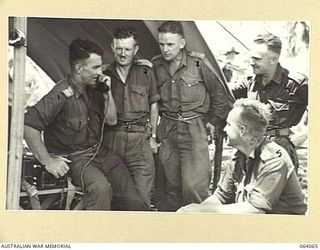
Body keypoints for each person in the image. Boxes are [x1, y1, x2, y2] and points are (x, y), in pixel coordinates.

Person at [24, 38, 147, 210]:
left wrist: (107, 93)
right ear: (79, 68)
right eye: (95, 67)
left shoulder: (95, 89)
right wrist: (48, 162)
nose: (100, 72)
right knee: (100, 188)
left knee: (129, 193)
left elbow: (111, 120)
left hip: (99, 152)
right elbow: (29, 126)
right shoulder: (60, 94)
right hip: (75, 158)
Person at [151, 21, 231, 211]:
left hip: (194, 129)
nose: (165, 49)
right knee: (169, 186)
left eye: (170, 44)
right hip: (167, 129)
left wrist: (212, 121)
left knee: (194, 186)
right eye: (162, 44)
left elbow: (219, 95)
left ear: (182, 43)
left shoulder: (198, 64)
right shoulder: (156, 65)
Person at [178, 99, 307, 214]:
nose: (224, 130)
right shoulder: (239, 155)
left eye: (228, 124)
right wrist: (196, 211)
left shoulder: (273, 159)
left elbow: (255, 210)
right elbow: (221, 197)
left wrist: (200, 210)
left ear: (242, 130)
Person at [232, 33, 308, 172]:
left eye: (257, 59)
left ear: (274, 59)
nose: (251, 62)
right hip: (250, 147)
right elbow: (223, 95)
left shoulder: (296, 84)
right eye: (251, 57)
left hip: (279, 149)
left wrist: (304, 135)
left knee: (279, 193)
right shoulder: (249, 81)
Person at [103, 26, 159, 210]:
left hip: (140, 141)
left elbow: (153, 103)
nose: (123, 54)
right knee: (114, 194)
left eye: (128, 49)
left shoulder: (146, 71)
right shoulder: (104, 74)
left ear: (135, 49)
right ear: (112, 47)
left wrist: (153, 137)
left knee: (142, 195)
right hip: (113, 138)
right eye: (119, 48)